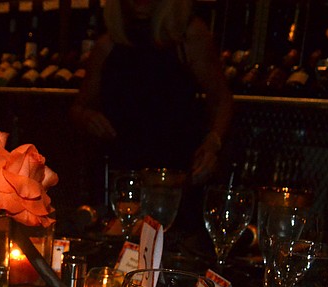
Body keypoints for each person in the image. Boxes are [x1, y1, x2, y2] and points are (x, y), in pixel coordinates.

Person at [70, 0, 233, 186]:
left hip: (172, 176)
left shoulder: (188, 36)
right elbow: (78, 107)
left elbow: (222, 99)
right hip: (120, 174)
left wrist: (212, 143)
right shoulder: (107, 45)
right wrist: (87, 117)